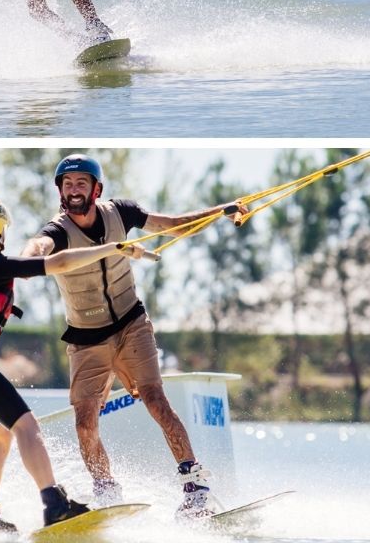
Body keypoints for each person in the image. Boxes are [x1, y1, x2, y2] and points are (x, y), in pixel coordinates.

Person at [21, 155, 248, 518]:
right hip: (86, 339)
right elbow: (36, 248)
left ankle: (195, 486)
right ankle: (106, 489)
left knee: (157, 400)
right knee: (85, 421)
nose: (74, 190)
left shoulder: (121, 213)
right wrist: (25, 258)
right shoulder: (57, 231)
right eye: (67, 184)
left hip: (131, 325)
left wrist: (223, 209)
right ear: (60, 191)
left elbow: (173, 225)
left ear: (96, 189)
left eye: (82, 183)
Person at [0, 195, 155, 532]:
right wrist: (111, 248)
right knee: (27, 427)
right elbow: (59, 263)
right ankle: (55, 504)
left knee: (2, 435)